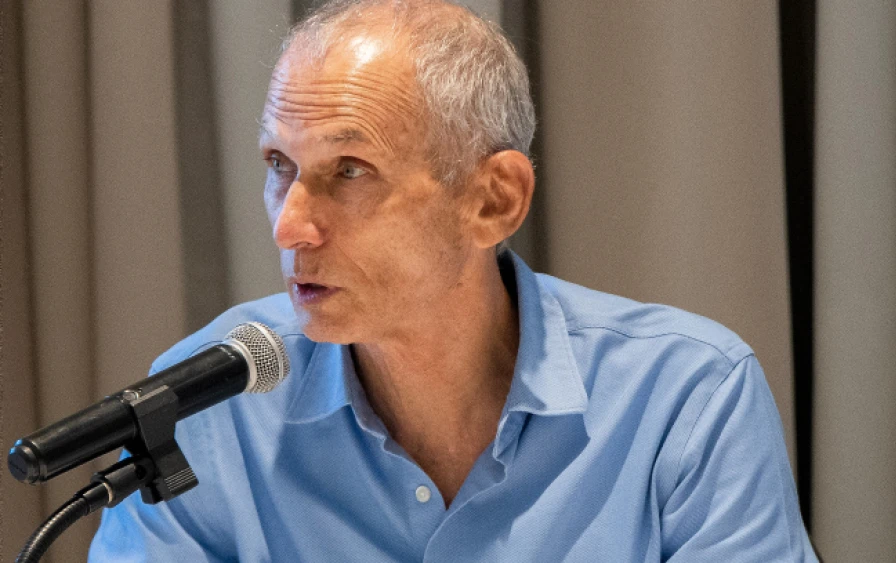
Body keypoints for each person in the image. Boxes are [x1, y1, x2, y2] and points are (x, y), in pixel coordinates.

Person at [90, 0, 818, 560]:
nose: (291, 226)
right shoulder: (208, 406)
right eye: (280, 166)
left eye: (349, 171)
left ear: (493, 200)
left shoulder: (685, 398)